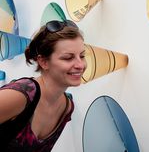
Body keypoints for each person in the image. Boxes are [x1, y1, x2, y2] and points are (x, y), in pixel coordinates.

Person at [0, 20, 87, 151]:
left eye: (82, 56)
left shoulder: (67, 108)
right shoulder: (21, 95)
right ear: (43, 62)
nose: (80, 65)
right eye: (68, 58)